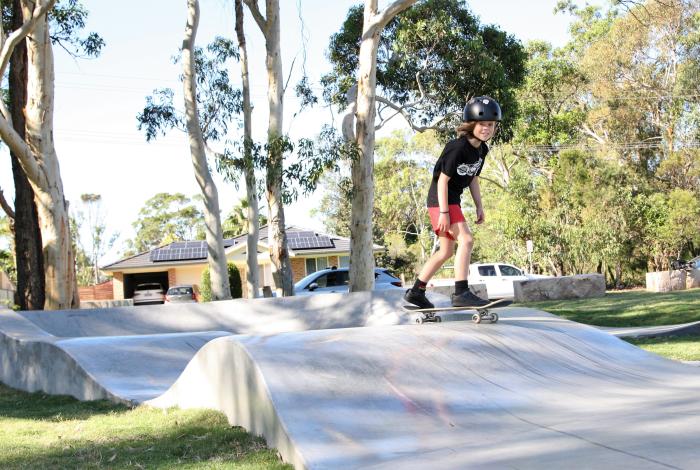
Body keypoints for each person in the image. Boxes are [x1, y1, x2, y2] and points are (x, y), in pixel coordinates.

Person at [404, 96, 502, 309]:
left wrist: (479, 205)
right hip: (441, 202)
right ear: (471, 125)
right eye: (482, 124)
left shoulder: (482, 150)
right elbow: (442, 181)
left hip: (451, 203)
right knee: (466, 240)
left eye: (491, 125)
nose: (487, 129)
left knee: (446, 251)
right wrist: (444, 212)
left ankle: (415, 292)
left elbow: (474, 178)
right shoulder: (457, 147)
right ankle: (461, 292)